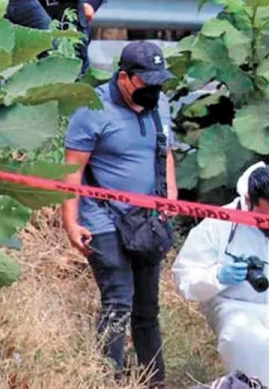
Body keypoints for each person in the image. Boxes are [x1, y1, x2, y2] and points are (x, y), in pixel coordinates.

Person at [61, 41, 177, 388]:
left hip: (147, 221)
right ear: (124, 77)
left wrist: (170, 191)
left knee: (147, 309)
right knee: (117, 302)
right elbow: (71, 171)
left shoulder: (161, 104)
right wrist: (70, 220)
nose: (154, 91)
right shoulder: (92, 109)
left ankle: (153, 381)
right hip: (103, 218)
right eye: (147, 83)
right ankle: (107, 380)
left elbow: (165, 150)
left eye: (159, 83)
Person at [172, 162, 269, 389]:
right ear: (248, 201)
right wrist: (217, 276)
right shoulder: (219, 223)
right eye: (263, 217)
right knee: (249, 341)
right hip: (235, 306)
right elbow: (184, 278)